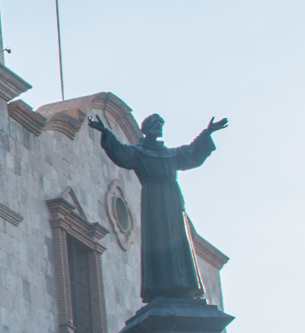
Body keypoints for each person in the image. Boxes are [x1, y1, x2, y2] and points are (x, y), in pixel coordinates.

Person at [87, 113, 227, 302]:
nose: (158, 127)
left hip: (173, 201)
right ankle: (160, 286)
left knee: (178, 241)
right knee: (158, 240)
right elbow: (121, 153)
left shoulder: (171, 154)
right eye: (154, 124)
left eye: (160, 124)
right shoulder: (138, 153)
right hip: (154, 201)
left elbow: (192, 153)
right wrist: (105, 132)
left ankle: (182, 285)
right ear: (145, 129)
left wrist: (207, 133)